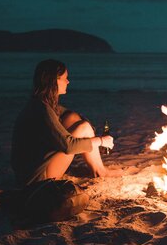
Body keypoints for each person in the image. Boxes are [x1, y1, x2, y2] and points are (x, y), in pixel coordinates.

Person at [11, 59, 122, 187]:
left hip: (28, 171)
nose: (68, 82)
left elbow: (73, 116)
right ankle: (100, 171)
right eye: (65, 78)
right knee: (84, 127)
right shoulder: (42, 109)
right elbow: (69, 146)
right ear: (54, 81)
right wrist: (101, 141)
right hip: (36, 179)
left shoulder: (41, 103)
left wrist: (90, 132)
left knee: (73, 118)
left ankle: (97, 168)